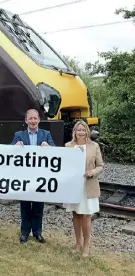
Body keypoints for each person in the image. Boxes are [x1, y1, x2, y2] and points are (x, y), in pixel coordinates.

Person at [11, 109, 55, 244]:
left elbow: (56, 151)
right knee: (24, 206)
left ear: (39, 120)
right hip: (24, 178)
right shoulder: (19, 135)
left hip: (40, 178)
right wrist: (15, 146)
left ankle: (37, 232)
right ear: (26, 121)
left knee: (38, 206)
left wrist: (49, 146)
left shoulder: (46, 134)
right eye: (30, 118)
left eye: (35, 118)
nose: (33, 121)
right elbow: (8, 151)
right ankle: (24, 232)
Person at [63, 120, 104, 257]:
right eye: (78, 130)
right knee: (76, 214)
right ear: (74, 132)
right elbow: (64, 164)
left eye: (83, 129)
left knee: (86, 216)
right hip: (74, 186)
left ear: (87, 131)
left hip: (88, 185)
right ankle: (78, 242)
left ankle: (87, 244)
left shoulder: (94, 146)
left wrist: (92, 172)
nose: (81, 132)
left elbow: (101, 166)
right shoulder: (68, 146)